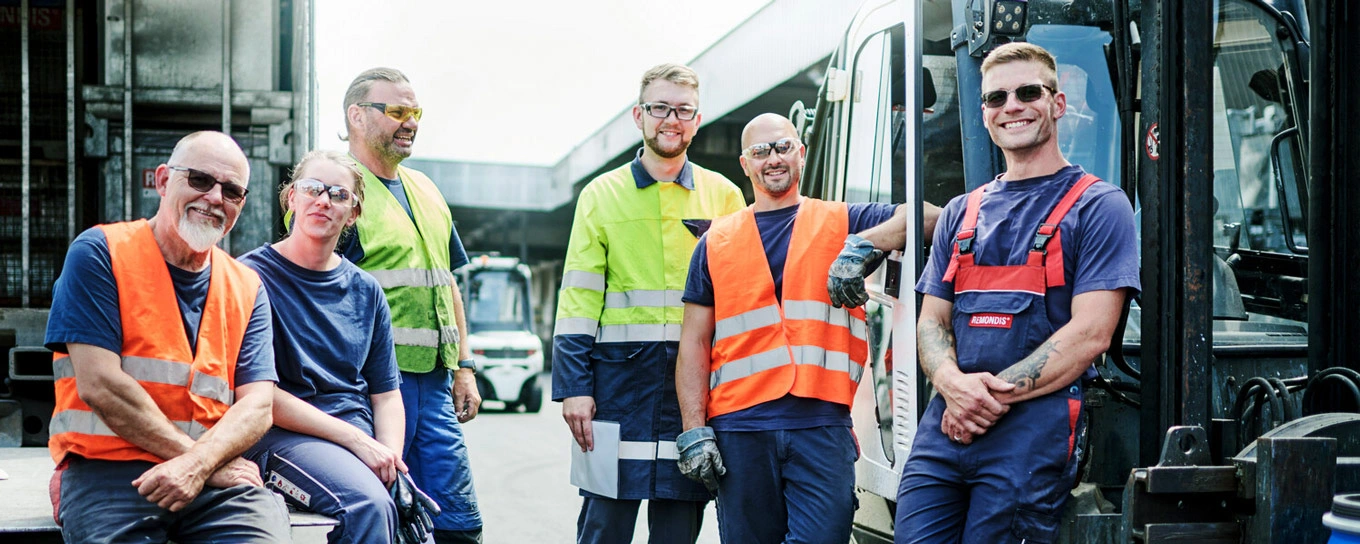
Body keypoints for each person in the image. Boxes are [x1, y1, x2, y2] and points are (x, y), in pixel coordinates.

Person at [894, 42, 1139, 543]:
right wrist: (951, 385)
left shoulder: (1098, 206)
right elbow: (931, 321)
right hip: (946, 423)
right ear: (983, 112)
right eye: (996, 97)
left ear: (1058, 103)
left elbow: (1091, 333)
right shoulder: (961, 212)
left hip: (1030, 432)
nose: (1012, 106)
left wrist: (982, 400)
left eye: (1029, 92)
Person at [44, 131, 291, 543]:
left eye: (231, 190)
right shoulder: (100, 252)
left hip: (216, 481)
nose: (215, 197)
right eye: (199, 180)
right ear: (162, 180)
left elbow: (258, 405)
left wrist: (201, 467)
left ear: (241, 204)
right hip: (113, 471)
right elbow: (100, 384)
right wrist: (199, 463)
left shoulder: (248, 287)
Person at [675, 113, 907, 543]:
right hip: (739, 429)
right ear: (745, 165)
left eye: (782, 147)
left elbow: (926, 217)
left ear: (801, 153)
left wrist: (863, 245)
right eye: (760, 152)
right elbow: (694, 342)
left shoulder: (844, 222)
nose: (773, 159)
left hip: (821, 425)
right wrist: (693, 428)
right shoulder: (715, 241)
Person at [553, 63, 745, 543]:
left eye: (683, 110)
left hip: (693, 393)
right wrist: (573, 386)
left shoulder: (725, 196)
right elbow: (577, 296)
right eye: (660, 108)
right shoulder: (600, 195)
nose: (671, 119)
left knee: (679, 528)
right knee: (604, 527)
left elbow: (744, 298)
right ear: (639, 115)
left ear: (697, 121)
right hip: (613, 390)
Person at [339, 67, 483, 544]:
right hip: (369, 388)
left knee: (458, 523)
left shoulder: (427, 189)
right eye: (396, 111)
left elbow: (448, 284)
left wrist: (464, 366)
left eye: (415, 111)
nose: (410, 122)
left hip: (435, 384)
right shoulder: (336, 191)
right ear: (357, 117)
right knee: (383, 515)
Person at [239, 150, 402, 543]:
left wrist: (390, 458)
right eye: (312, 189)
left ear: (354, 213)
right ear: (292, 198)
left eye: (338, 194)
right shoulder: (247, 278)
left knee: (408, 510)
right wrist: (358, 442)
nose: (324, 200)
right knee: (367, 506)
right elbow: (257, 396)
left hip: (354, 438)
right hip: (281, 435)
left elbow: (386, 396)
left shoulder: (366, 291)